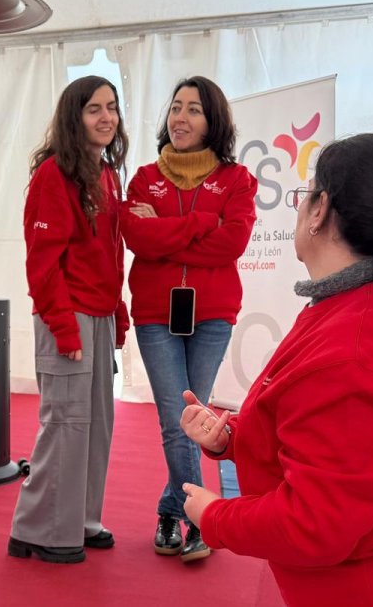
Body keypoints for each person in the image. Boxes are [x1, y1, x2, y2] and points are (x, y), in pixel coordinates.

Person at [180, 133, 373, 606]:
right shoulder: (360, 311)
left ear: (320, 209)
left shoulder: (354, 346)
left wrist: (216, 517)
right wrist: (234, 439)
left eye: (303, 194)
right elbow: (341, 441)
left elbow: (316, 524)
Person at [121, 76, 257, 561]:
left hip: (214, 314)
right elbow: (138, 238)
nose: (180, 117)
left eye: (193, 110)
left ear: (212, 120)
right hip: (157, 313)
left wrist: (166, 230)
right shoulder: (142, 177)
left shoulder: (236, 179)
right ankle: (198, 518)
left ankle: (169, 507)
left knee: (192, 417)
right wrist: (202, 225)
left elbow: (233, 243)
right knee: (177, 420)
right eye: (175, 107)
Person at [7, 75, 130, 564]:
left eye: (112, 108)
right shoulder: (53, 176)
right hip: (69, 314)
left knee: (96, 425)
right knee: (65, 423)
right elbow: (42, 262)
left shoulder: (107, 174)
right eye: (94, 109)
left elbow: (111, 255)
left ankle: (80, 518)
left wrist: (116, 314)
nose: (106, 118)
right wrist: (62, 324)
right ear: (73, 117)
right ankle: (37, 530)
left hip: (98, 315)